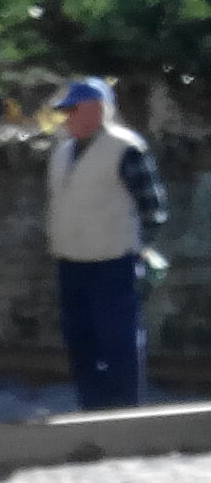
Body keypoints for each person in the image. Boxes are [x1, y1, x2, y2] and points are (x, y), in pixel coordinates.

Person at [47, 76, 169, 410]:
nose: (66, 117)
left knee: (119, 342)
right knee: (80, 342)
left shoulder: (125, 147)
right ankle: (91, 410)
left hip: (114, 261)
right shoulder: (63, 151)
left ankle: (124, 413)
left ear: (97, 110)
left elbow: (153, 207)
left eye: (72, 109)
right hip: (70, 261)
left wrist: (141, 249)